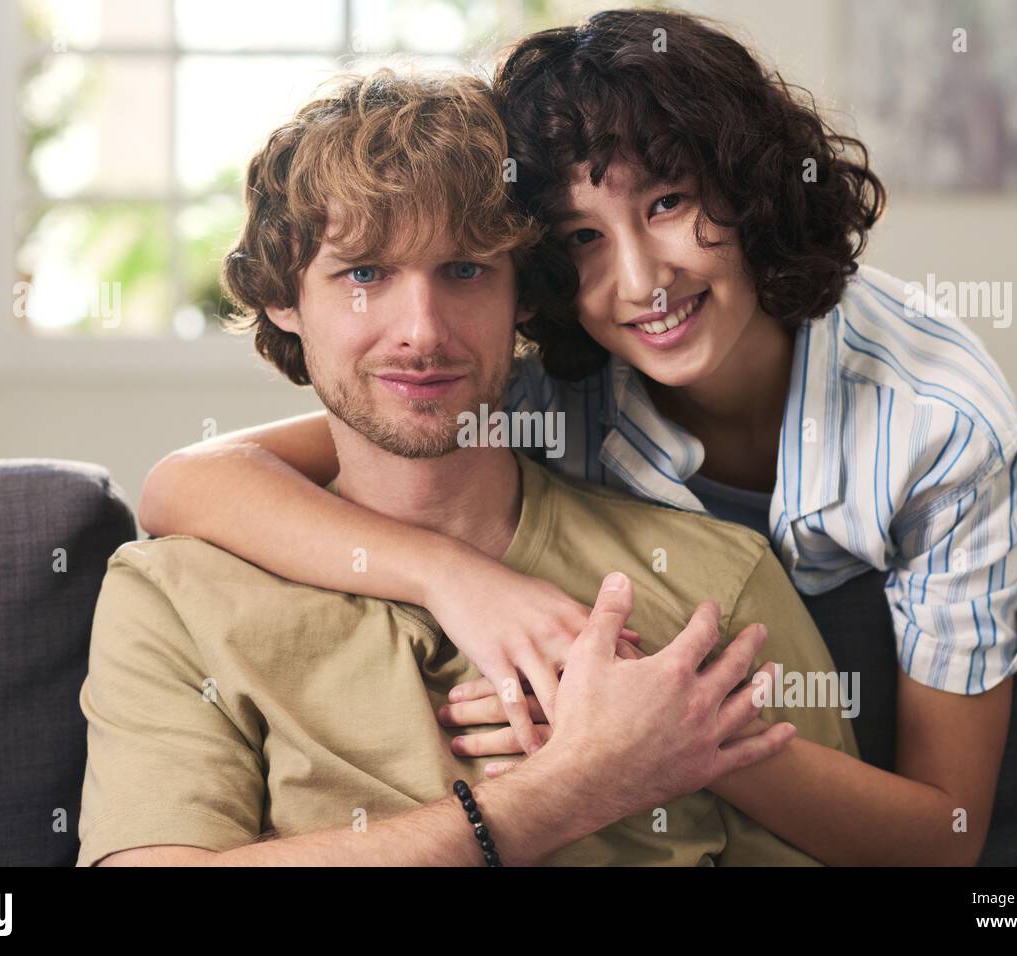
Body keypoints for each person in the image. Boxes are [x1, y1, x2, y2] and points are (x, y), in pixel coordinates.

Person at [138, 10, 1017, 865]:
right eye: (580, 236)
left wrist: (665, 729)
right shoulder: (536, 378)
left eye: (668, 202)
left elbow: (947, 833)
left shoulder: (937, 427)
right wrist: (456, 580)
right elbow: (192, 481)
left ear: (754, 186)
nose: (643, 281)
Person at [77, 68, 856, 868]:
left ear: (524, 294)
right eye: (365, 274)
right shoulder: (175, 596)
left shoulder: (711, 584)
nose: (421, 331)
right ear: (284, 296)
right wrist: (571, 789)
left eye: (465, 270)